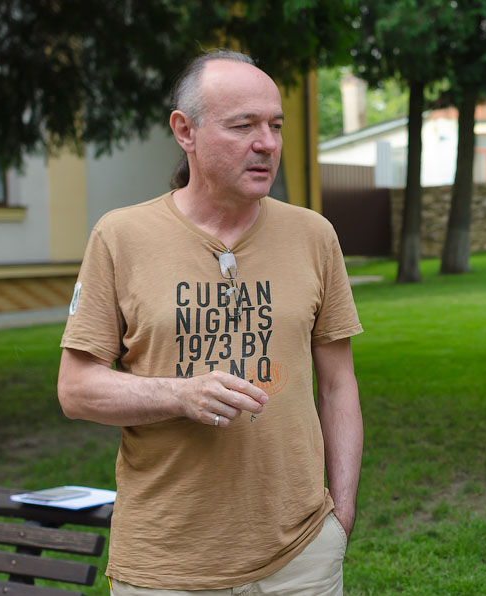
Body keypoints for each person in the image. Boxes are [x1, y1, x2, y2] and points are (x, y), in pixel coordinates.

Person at [57, 49, 363, 595]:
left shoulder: (314, 235)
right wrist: (179, 394)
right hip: (167, 563)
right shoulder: (121, 237)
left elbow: (339, 386)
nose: (266, 143)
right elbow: (76, 390)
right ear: (185, 131)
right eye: (243, 126)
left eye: (275, 125)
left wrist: (340, 516)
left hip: (300, 558)